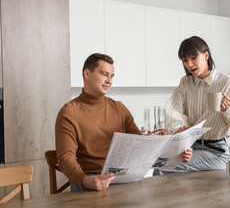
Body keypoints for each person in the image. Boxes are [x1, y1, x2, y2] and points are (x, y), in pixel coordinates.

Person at [55, 53, 192, 191]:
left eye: (112, 76)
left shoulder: (119, 108)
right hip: (90, 181)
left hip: (123, 179)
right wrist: (85, 180)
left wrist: (177, 154)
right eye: (104, 74)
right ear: (87, 73)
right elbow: (65, 158)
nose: (109, 80)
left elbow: (142, 148)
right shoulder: (69, 112)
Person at [155, 36, 230, 175]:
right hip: (192, 148)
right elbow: (172, 111)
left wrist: (228, 110)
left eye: (193, 58)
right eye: (185, 60)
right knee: (159, 165)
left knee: (162, 170)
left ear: (206, 55)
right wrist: (181, 129)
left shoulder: (227, 83)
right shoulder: (186, 83)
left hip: (219, 151)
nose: (189, 64)